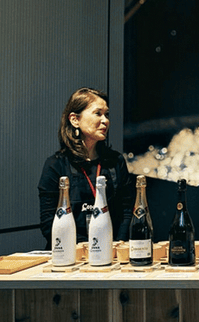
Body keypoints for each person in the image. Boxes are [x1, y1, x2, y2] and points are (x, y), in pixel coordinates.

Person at [38, 87, 134, 247]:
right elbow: (49, 222)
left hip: (111, 251)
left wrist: (119, 243)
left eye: (107, 114)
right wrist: (82, 248)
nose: (105, 121)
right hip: (70, 254)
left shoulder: (115, 161)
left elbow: (126, 211)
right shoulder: (56, 165)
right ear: (75, 119)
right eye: (98, 113)